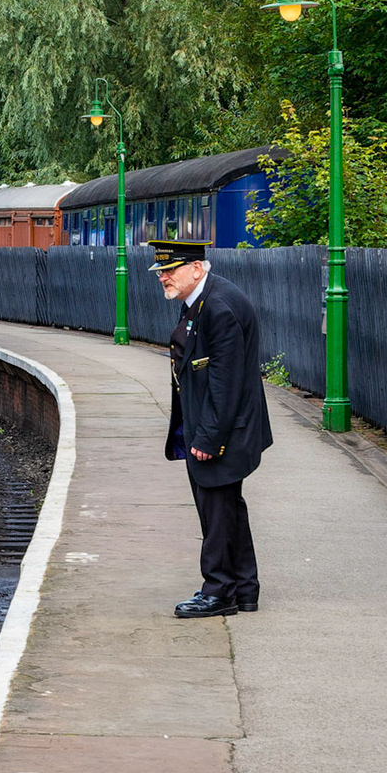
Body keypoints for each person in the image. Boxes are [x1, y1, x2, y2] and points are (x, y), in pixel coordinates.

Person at [149, 239, 273, 618]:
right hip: (218, 426)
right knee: (227, 509)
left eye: (171, 271)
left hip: (221, 431)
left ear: (197, 269)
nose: (163, 278)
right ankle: (243, 588)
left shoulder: (217, 307)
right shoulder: (203, 301)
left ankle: (219, 591)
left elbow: (226, 380)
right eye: (161, 272)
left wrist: (207, 439)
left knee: (216, 511)